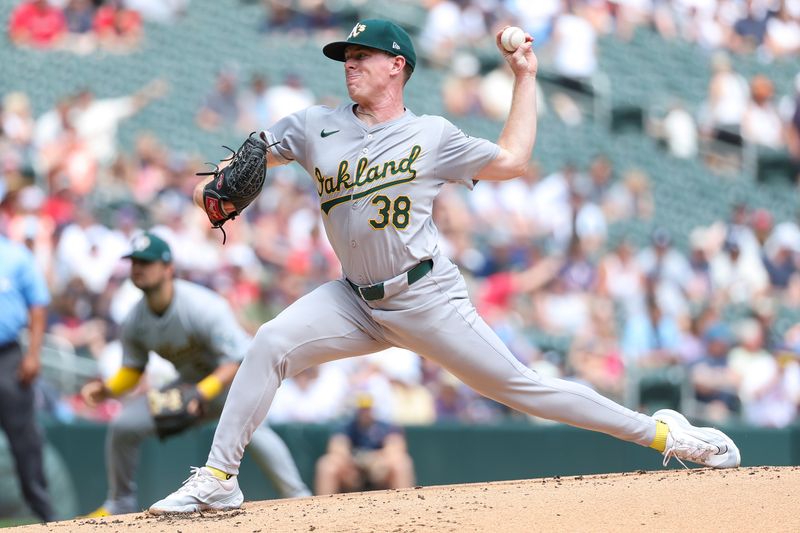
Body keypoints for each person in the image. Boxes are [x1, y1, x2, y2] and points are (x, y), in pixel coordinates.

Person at [149, 19, 740, 514]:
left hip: (426, 297)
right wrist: (230, 180)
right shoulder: (314, 125)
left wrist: (524, 80)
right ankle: (219, 481)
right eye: (345, 56)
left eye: (363, 55)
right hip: (356, 300)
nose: (350, 64)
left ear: (398, 66)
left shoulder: (431, 136)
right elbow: (257, 153)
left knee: (526, 389)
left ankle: (670, 436)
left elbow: (511, 159)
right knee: (270, 341)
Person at [80, 232, 309, 516]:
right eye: (135, 262)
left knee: (256, 433)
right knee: (125, 425)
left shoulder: (200, 305)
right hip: (188, 389)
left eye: (146, 262)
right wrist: (107, 390)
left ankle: (298, 497)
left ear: (168, 268)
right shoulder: (136, 319)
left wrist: (204, 391)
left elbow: (239, 360)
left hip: (230, 387)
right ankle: (120, 501)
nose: (138, 268)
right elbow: (133, 369)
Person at [0, 233, 54, 522]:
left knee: (25, 444)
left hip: (7, 358)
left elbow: (38, 304)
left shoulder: (15, 255)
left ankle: (48, 519)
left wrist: (33, 354)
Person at [314, 393, 414, 494]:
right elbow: (337, 448)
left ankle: (405, 503)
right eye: (362, 409)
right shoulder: (347, 427)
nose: (365, 412)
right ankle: (324, 508)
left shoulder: (386, 426)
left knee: (401, 463)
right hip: (352, 472)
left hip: (380, 470)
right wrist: (354, 462)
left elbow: (396, 447)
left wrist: (376, 461)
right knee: (327, 465)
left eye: (368, 409)